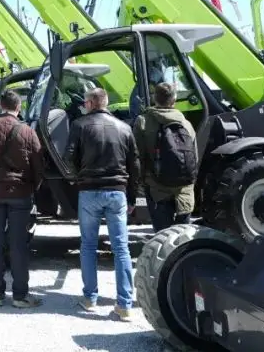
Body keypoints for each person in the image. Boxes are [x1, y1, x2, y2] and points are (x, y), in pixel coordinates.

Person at [65, 87, 140, 319]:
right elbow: (135, 165)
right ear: (105, 103)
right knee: (121, 248)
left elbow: (69, 157)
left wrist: (77, 177)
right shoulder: (124, 128)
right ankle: (125, 304)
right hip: (117, 192)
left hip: (89, 191)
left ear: (90, 103)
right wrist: (132, 196)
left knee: (88, 245)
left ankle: (90, 298)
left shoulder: (79, 125)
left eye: (85, 103)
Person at [0, 89, 44, 308]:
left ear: (0, 106)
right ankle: (20, 296)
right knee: (18, 243)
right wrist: (32, 186)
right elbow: (38, 164)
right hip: (20, 193)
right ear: (18, 107)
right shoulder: (28, 131)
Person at [133, 82, 197, 232]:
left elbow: (137, 156)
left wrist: (140, 183)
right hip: (184, 191)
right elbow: (195, 157)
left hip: (157, 189)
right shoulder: (186, 124)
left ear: (155, 98)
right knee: (182, 237)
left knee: (162, 235)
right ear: (174, 100)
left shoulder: (143, 122)